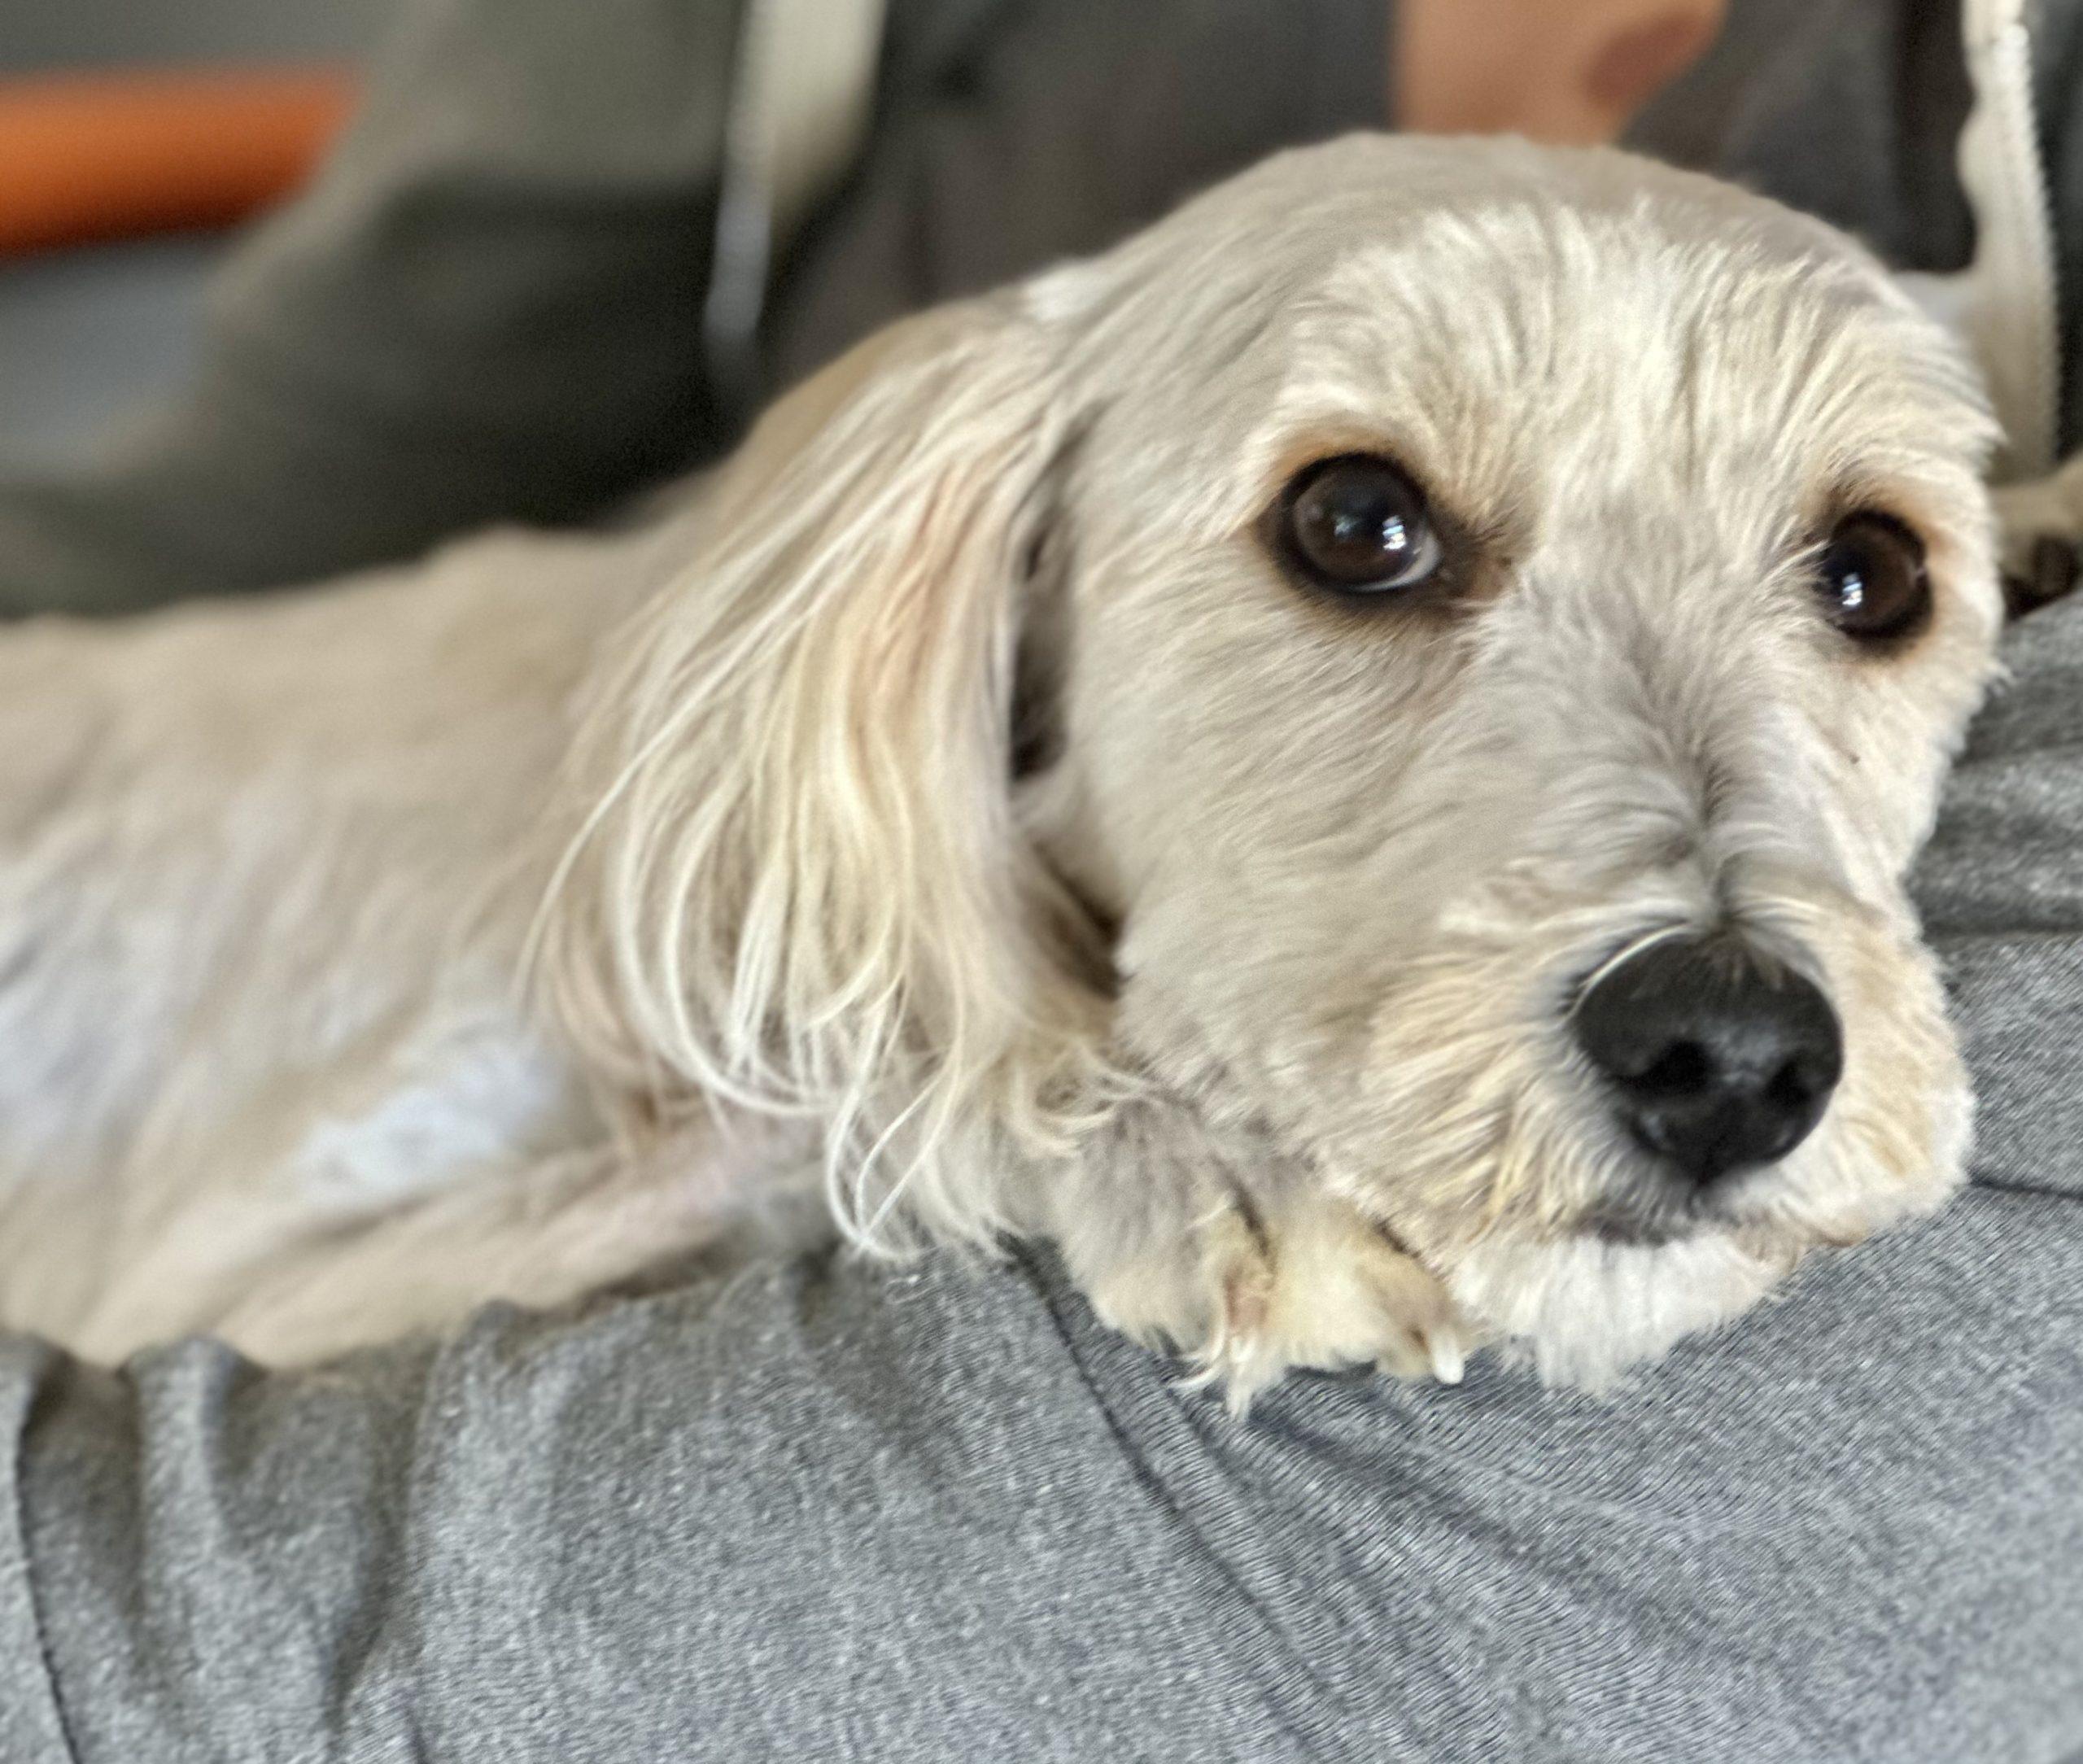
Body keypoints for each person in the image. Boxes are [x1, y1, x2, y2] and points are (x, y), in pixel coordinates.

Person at [0, 2, 2079, 1758]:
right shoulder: (824, 644)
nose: (1735, 1027)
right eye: (1362, 533)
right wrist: (1035, 1100)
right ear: (982, 628)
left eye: (1859, 580)